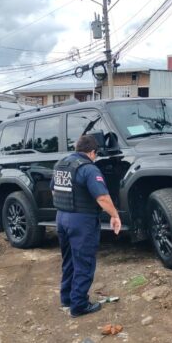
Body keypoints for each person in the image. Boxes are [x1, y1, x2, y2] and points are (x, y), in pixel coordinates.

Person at [52, 134, 121, 317]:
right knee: (84, 262)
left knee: (69, 261)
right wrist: (115, 215)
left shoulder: (62, 165)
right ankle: (79, 306)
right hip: (81, 222)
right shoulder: (89, 169)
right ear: (92, 152)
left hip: (61, 218)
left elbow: (54, 189)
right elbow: (103, 198)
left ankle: (67, 299)